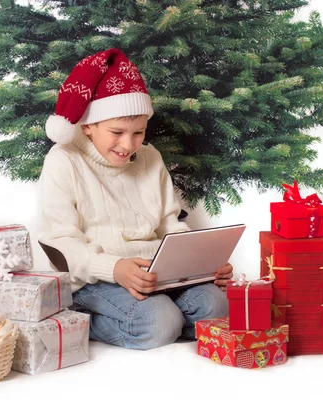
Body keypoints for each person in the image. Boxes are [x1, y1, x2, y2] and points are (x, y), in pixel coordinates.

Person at [37, 48, 233, 350]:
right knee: (159, 321)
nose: (128, 145)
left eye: (138, 132)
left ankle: (168, 317)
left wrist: (203, 265)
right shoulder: (63, 160)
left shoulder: (150, 158)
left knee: (216, 307)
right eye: (117, 132)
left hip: (156, 273)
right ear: (88, 125)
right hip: (95, 278)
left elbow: (171, 225)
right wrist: (113, 268)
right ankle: (81, 318)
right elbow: (61, 245)